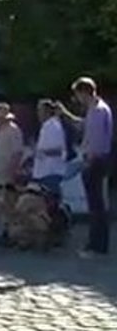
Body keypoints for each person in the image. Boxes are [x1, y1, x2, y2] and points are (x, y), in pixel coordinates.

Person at [57, 77, 113, 258]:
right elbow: (83, 126)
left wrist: (88, 160)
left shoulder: (97, 111)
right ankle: (98, 244)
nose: (77, 99)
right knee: (96, 204)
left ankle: (97, 246)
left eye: (78, 95)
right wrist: (65, 114)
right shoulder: (97, 109)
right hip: (98, 160)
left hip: (95, 161)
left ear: (83, 92)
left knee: (96, 205)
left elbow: (96, 140)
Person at [0, 103, 24, 245]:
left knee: (7, 204)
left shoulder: (13, 130)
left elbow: (17, 152)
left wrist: (12, 171)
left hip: (4, 172)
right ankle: (5, 230)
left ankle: (13, 233)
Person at [32, 99, 67, 196]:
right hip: (43, 172)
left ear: (47, 112)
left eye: (40, 110)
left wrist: (41, 152)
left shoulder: (53, 126)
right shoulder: (46, 126)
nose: (38, 113)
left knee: (51, 202)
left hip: (51, 172)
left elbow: (59, 151)